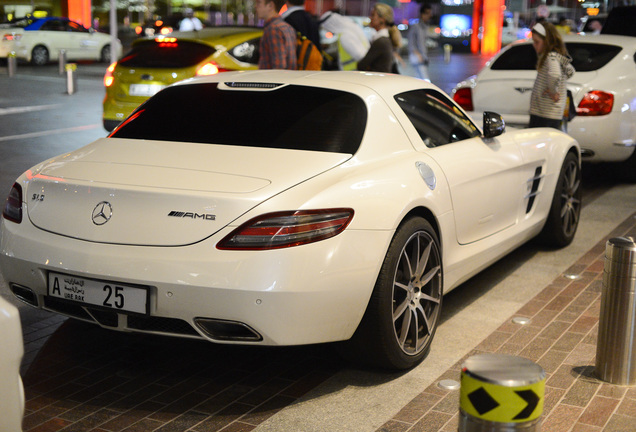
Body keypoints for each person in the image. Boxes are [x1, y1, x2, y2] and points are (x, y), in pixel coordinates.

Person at [528, 22, 575, 130]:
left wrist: (553, 90)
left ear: (547, 41)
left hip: (544, 114)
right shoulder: (558, 56)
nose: (534, 45)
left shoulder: (551, 56)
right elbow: (571, 71)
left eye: (537, 42)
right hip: (550, 114)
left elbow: (554, 74)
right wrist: (560, 83)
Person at [357, 3, 402, 73]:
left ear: (382, 20)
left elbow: (361, 65)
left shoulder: (381, 41)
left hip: (378, 81)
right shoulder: (385, 39)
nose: (370, 18)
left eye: (373, 15)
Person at [255, 0, 298, 69]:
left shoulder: (273, 29)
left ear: (270, 5)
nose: (255, 6)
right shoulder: (287, 27)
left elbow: (279, 66)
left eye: (259, 3)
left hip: (271, 78)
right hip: (288, 78)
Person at [408, 4, 433, 81]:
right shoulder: (416, 26)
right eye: (428, 13)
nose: (430, 15)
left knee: (419, 79)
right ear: (422, 14)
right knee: (425, 79)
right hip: (418, 57)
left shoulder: (425, 27)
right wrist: (418, 55)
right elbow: (411, 42)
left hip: (423, 57)